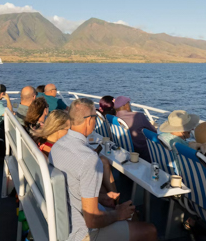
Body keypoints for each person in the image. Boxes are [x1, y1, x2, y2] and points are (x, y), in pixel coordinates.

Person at [49, 98, 157, 241]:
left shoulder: (58, 146)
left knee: (131, 214)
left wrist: (101, 198)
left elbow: (72, 186)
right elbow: (92, 221)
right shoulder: (88, 159)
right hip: (82, 233)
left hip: (64, 217)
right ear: (89, 121)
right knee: (150, 230)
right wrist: (118, 214)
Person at [114, 96, 156, 162]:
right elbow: (154, 131)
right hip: (142, 153)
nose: (130, 105)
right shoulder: (139, 116)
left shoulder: (114, 118)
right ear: (126, 105)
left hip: (124, 149)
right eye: (129, 103)